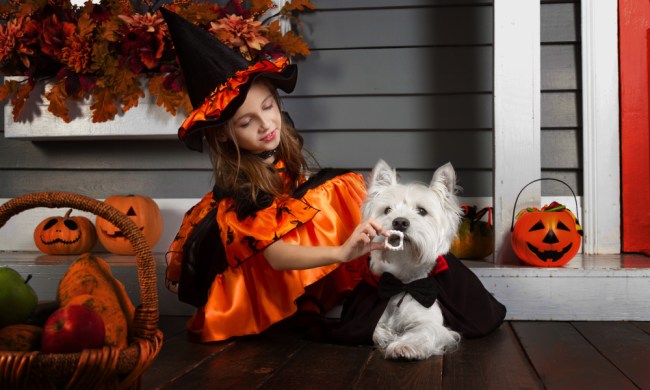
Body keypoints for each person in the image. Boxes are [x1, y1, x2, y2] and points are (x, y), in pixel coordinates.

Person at [160, 8, 386, 342]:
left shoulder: (276, 144)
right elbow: (276, 256)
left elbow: (301, 194)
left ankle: (355, 283)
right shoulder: (243, 188)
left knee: (338, 188)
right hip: (254, 265)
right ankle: (296, 299)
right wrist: (341, 253)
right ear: (223, 134)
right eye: (246, 122)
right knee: (329, 196)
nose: (267, 126)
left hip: (277, 233)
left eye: (268, 107)